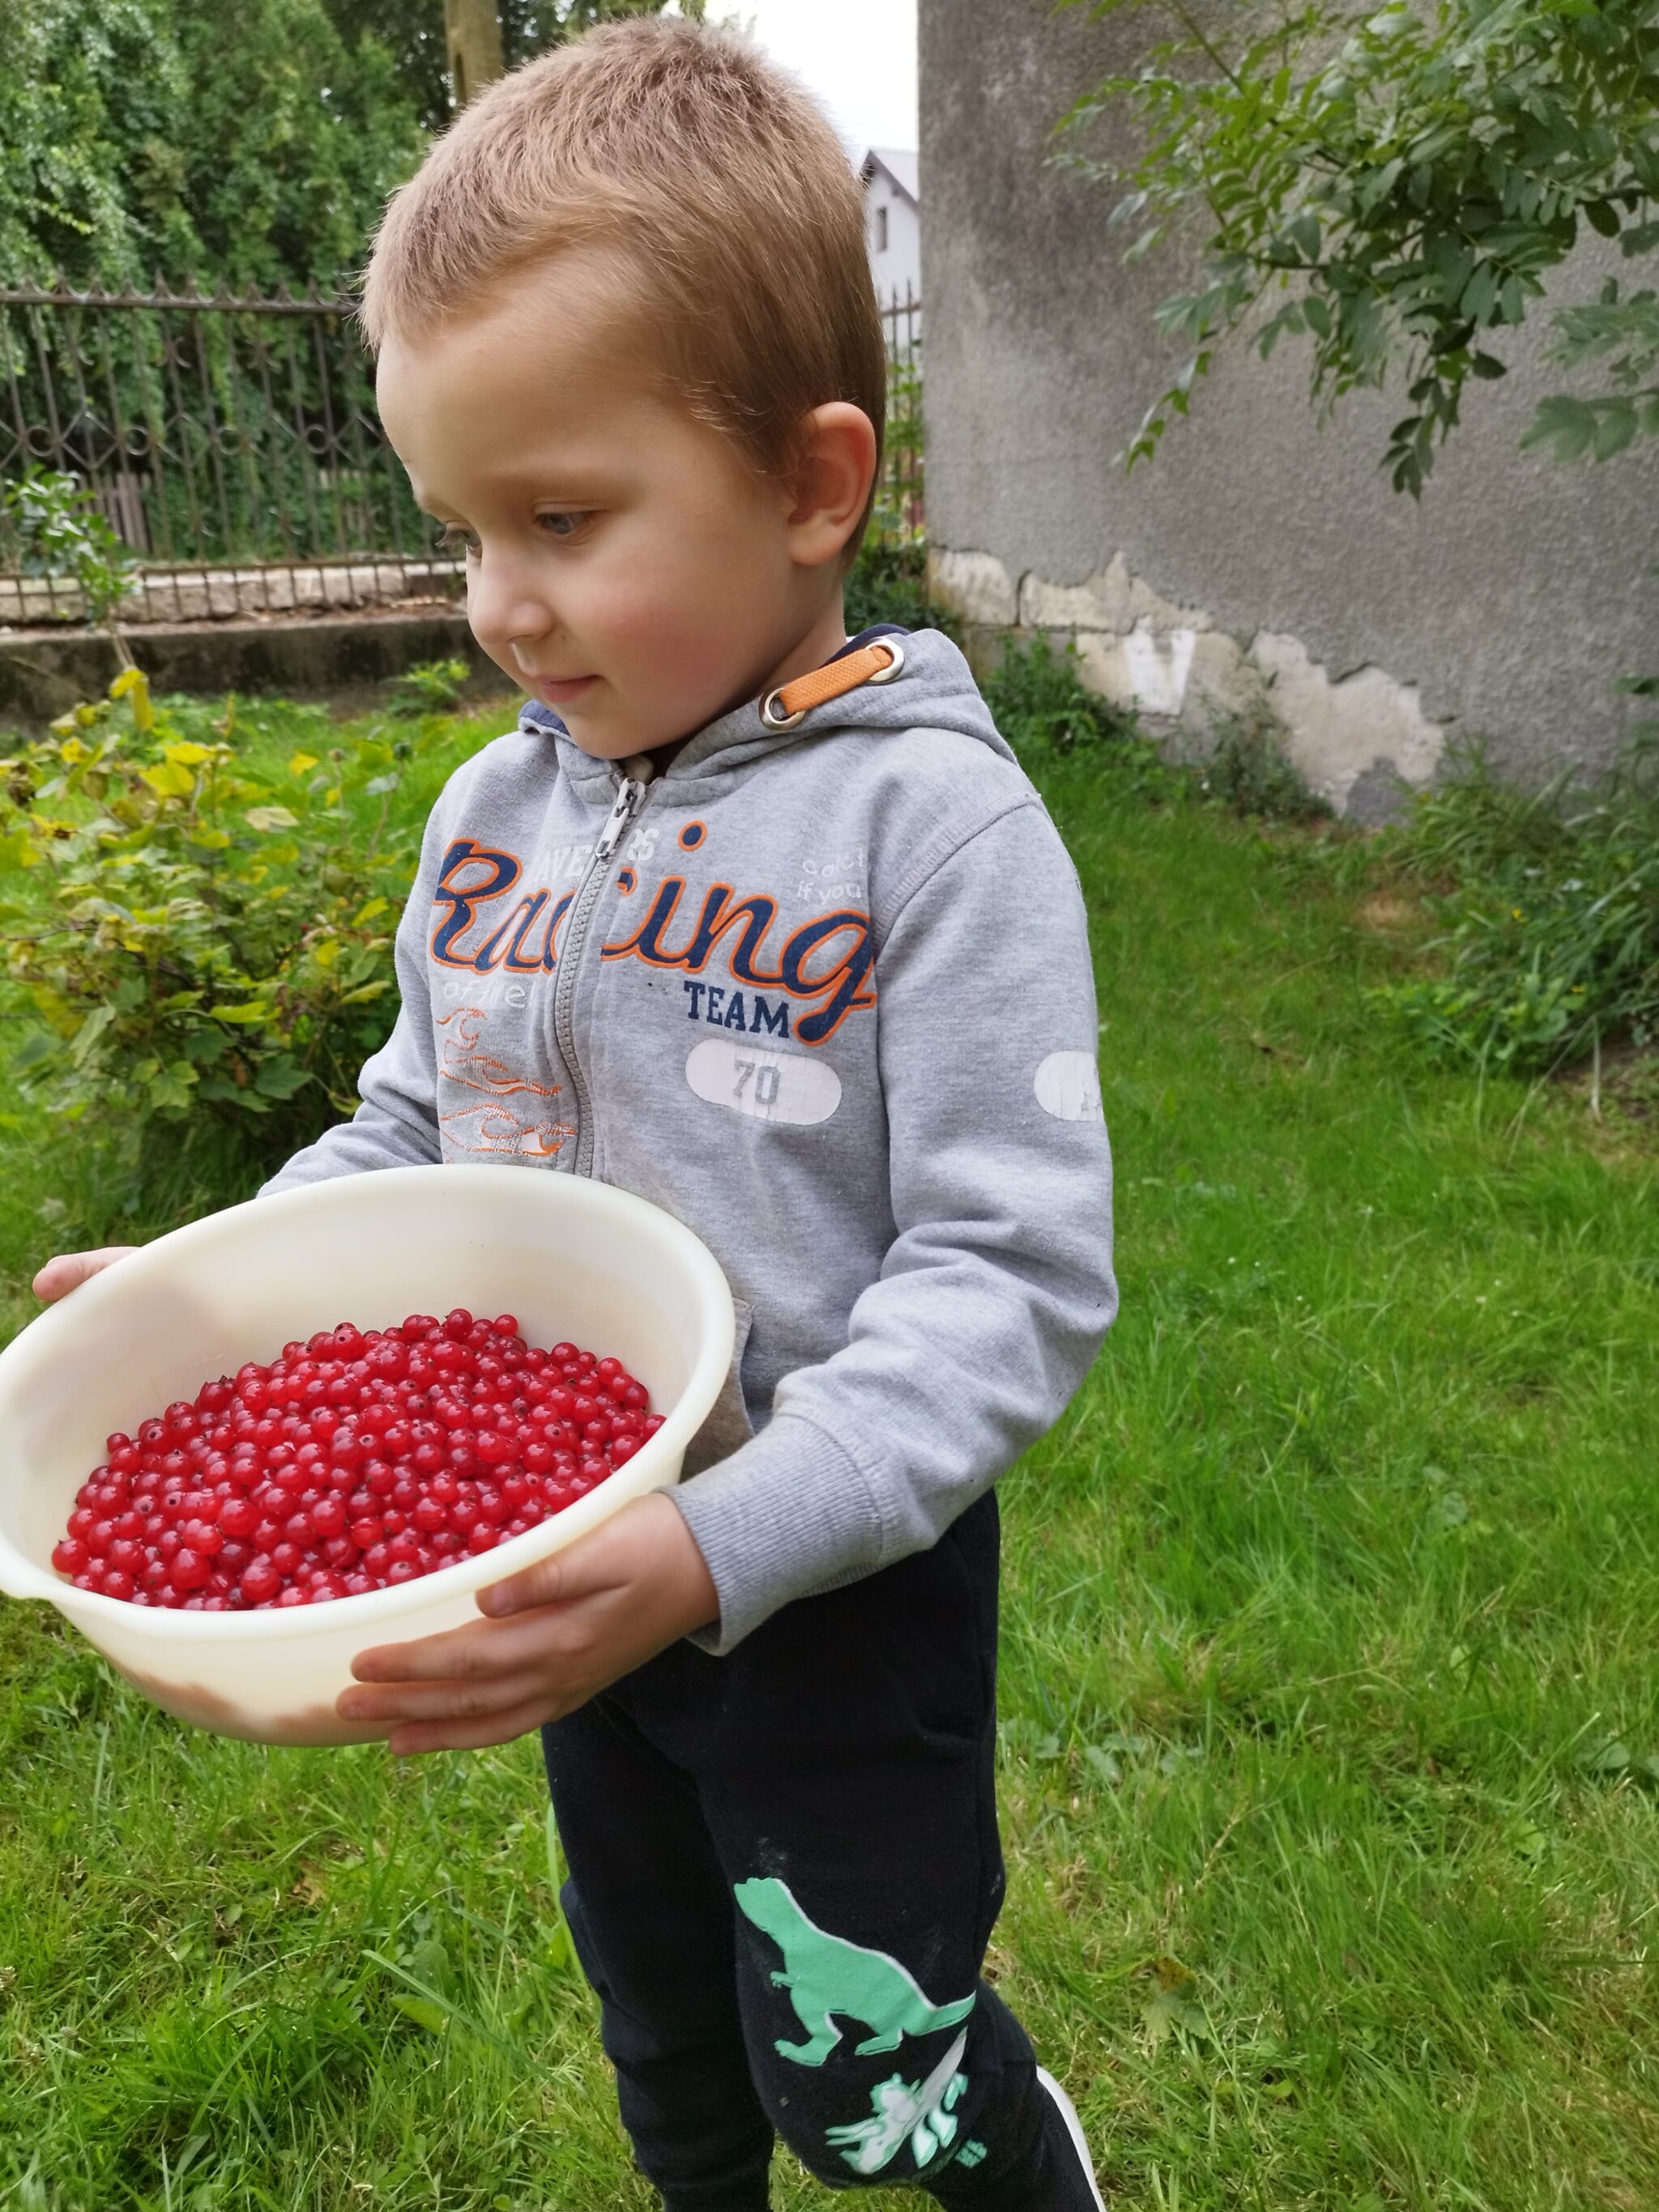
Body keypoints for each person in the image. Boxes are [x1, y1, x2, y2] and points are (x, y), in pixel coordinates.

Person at [36, 22, 1117, 2207]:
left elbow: (1011, 1275)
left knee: (861, 2061)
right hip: (558, 1553)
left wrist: (717, 1542)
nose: (499, 605)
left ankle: (1013, 2156)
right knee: (657, 2012)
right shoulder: (493, 817)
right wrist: (221, 1286)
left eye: (560, 520)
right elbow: (418, 1122)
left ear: (814, 487)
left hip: (827, 1583)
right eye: (460, 531)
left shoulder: (935, 836)